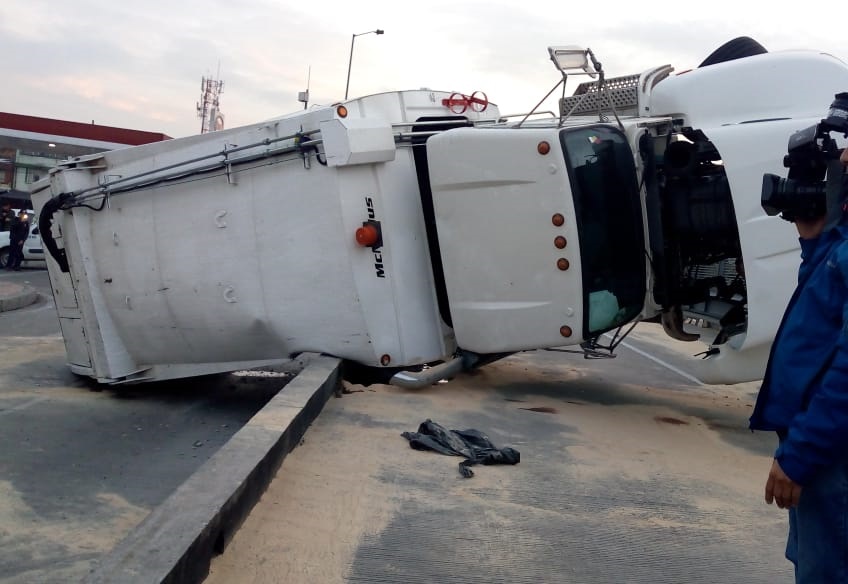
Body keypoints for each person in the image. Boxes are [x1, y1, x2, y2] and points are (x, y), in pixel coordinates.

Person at [749, 145, 848, 582]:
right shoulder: (841, 242)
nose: (843, 162)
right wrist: (815, 241)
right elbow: (823, 316)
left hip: (831, 454)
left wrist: (801, 454)